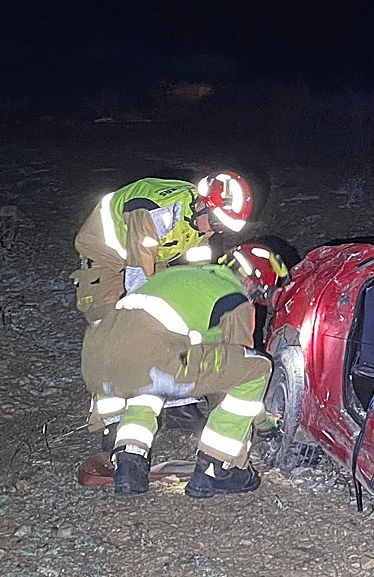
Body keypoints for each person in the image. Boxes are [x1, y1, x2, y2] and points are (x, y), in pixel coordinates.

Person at [81, 243, 288, 497]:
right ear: (251, 283)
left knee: (151, 381)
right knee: (257, 367)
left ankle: (129, 461)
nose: (256, 301)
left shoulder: (181, 277)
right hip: (148, 359)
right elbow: (237, 374)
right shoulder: (234, 298)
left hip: (95, 361)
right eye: (259, 295)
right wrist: (264, 423)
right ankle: (217, 467)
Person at [74, 171, 254, 431]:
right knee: (111, 326)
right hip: (106, 257)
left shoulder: (200, 222)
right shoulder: (154, 211)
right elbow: (138, 275)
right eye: (216, 224)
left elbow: (196, 272)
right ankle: (110, 417)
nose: (216, 231)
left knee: (176, 318)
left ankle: (178, 403)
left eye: (223, 228)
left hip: (152, 257)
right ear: (201, 204)